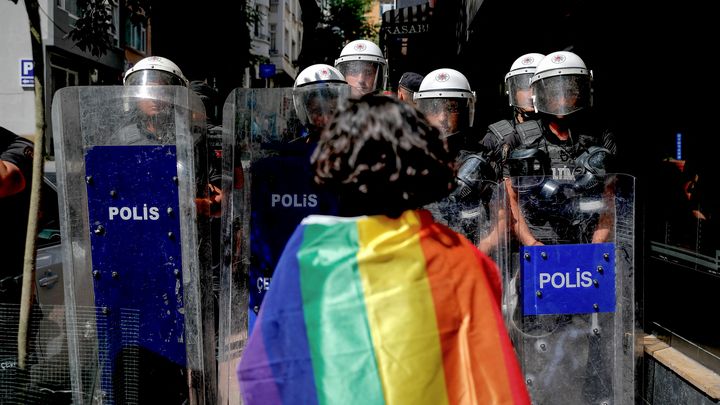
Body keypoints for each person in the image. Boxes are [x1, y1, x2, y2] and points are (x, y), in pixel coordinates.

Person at [236, 95, 531, 405]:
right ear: (425, 164)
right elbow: (495, 386)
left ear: (336, 166)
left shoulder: (309, 253)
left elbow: (265, 373)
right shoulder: (461, 261)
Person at [502, 50, 617, 246]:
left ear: (582, 91)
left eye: (570, 90)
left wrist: (595, 246)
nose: (562, 98)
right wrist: (533, 245)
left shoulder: (599, 137)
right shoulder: (519, 138)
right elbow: (510, 201)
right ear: (540, 93)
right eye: (554, 91)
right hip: (538, 245)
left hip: (587, 242)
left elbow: (609, 198)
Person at [414, 68, 495, 243]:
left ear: (466, 111)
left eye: (451, 108)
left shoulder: (481, 158)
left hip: (469, 251)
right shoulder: (411, 158)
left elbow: (498, 218)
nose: (443, 117)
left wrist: (478, 254)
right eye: (434, 109)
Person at [117, 56, 189, 145]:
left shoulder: (186, 135)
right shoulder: (123, 138)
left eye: (163, 92)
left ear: (173, 98)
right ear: (136, 98)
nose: (155, 99)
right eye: (149, 92)